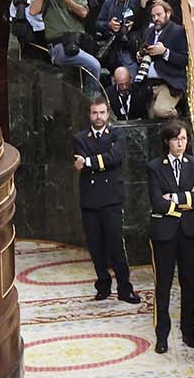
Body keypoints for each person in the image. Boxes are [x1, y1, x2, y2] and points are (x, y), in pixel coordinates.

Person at [71, 97, 142, 305]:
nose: (98, 117)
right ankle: (103, 285)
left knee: (116, 247)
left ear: (108, 113)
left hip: (112, 200)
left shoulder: (117, 134)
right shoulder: (80, 137)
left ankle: (124, 288)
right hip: (90, 201)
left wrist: (91, 161)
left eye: (102, 112)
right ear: (89, 114)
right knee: (96, 247)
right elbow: (79, 163)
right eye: (94, 113)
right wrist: (99, 161)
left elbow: (116, 157)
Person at [148, 120, 194, 352]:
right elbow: (157, 201)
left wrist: (175, 198)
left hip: (189, 232)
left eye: (183, 139)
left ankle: (188, 331)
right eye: (176, 139)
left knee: (189, 283)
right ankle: (162, 334)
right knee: (163, 285)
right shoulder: (154, 167)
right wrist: (184, 201)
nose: (180, 143)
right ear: (167, 141)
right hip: (165, 233)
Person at [136, 0, 188, 119]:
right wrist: (140, 55)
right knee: (152, 116)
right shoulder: (149, 31)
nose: (156, 18)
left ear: (168, 13)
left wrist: (165, 52)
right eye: (153, 16)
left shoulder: (178, 31)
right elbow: (144, 49)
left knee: (161, 111)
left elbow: (184, 59)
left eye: (159, 14)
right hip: (150, 83)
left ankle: (179, 116)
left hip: (170, 82)